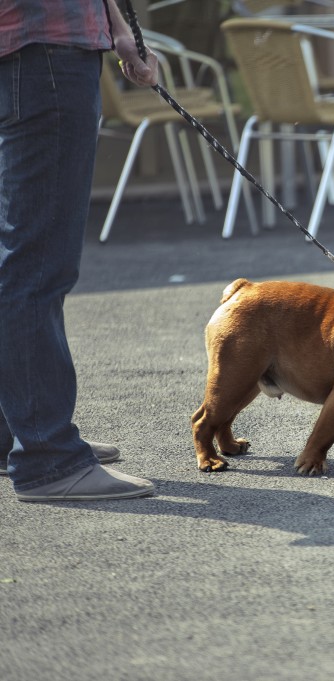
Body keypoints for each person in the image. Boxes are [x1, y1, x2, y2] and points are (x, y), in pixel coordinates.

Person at [0, 0, 159, 500]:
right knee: (37, 264)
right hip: (44, 53)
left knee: (16, 257)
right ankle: (49, 458)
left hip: (25, 49)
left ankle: (17, 434)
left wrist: (117, 27)